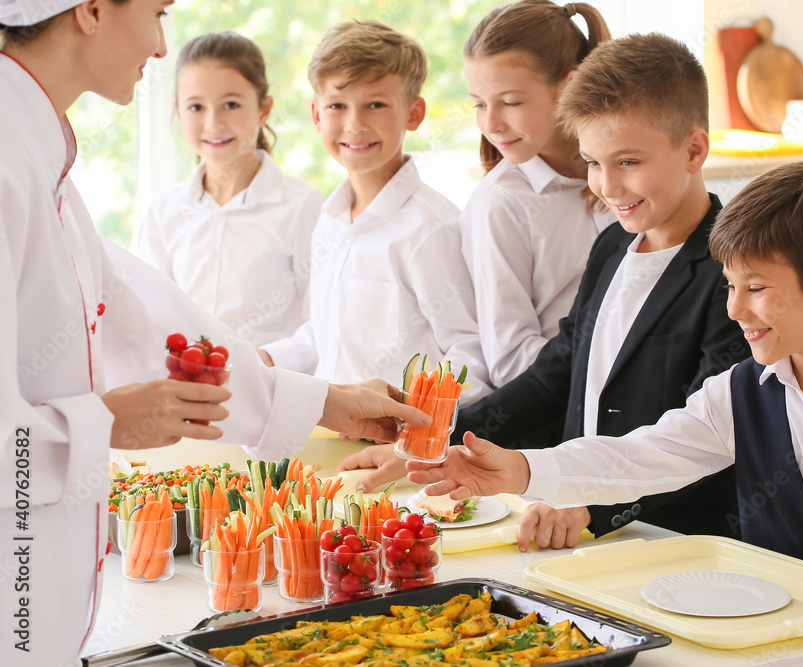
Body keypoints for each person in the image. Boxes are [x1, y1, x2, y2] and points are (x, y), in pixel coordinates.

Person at [409, 157, 803, 647]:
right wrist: (521, 468)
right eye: (730, 287)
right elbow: (638, 458)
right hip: (772, 647)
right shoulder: (736, 392)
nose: (735, 310)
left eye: (757, 289)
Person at [0, 3, 428, 665]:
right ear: (89, 10)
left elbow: (143, 315)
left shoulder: (33, 149)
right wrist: (106, 422)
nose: (161, 41)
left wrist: (323, 400)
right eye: (157, 10)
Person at [339, 33, 749, 553]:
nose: (607, 187)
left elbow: (701, 435)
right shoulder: (611, 247)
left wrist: (589, 503)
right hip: (582, 535)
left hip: (681, 541)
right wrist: (436, 441)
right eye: (594, 163)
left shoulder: (734, 271)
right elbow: (556, 374)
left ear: (693, 150)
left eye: (628, 162)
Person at [259, 19, 490, 401]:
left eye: (376, 105)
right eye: (337, 105)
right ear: (317, 115)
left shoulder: (431, 229)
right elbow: (329, 334)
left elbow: (470, 359)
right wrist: (265, 357)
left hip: (393, 448)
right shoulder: (329, 219)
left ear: (413, 114)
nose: (354, 124)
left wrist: (406, 416)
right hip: (326, 435)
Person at [460, 0, 616, 387]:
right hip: (558, 416)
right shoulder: (501, 204)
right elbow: (510, 362)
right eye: (479, 104)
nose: (491, 124)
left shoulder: (630, 176)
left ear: (572, 84)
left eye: (511, 102)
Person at [138, 31, 324, 347]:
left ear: (264, 110)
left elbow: (320, 326)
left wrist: (262, 366)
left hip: (274, 389)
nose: (213, 123)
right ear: (178, 112)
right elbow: (151, 314)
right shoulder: (165, 211)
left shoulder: (303, 208)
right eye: (196, 107)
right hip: (186, 384)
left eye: (231, 104)